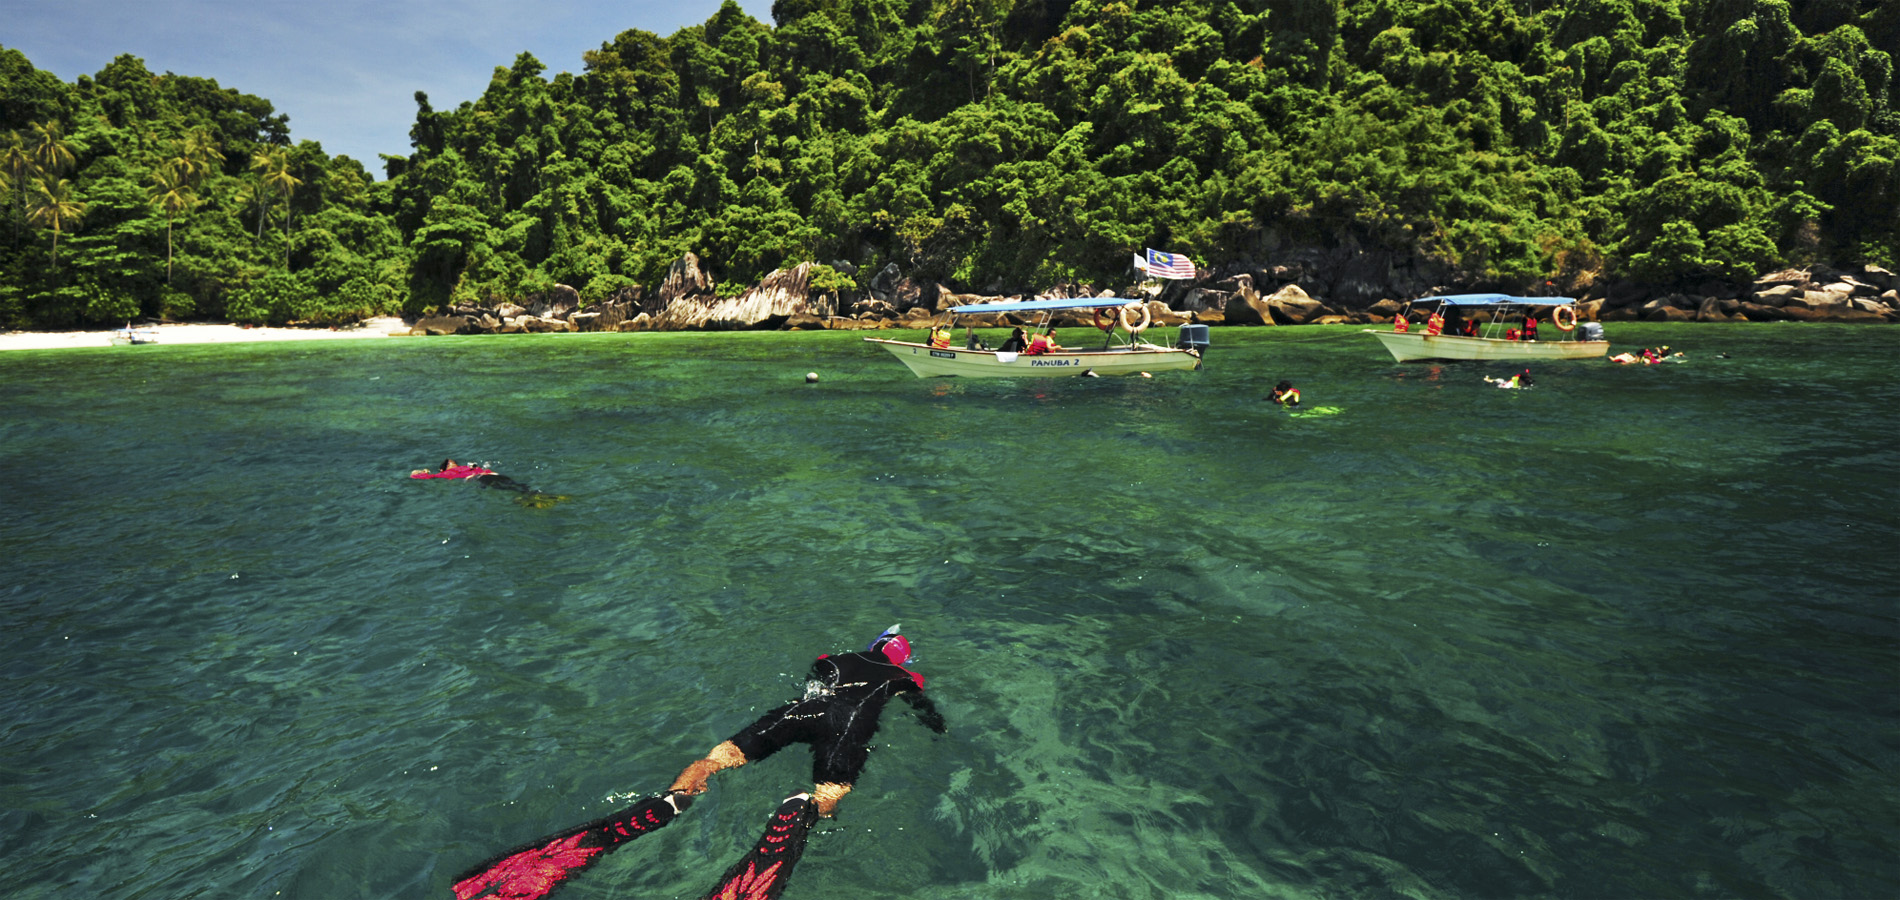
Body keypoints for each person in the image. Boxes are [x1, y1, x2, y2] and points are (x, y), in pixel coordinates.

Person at [452, 627, 945, 900]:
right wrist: (936, 727)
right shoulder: (906, 679)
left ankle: (676, 798)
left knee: (713, 760)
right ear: (902, 660)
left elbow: (814, 681)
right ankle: (803, 810)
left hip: (800, 711)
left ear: (871, 645)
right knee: (831, 792)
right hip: (849, 725)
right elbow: (925, 710)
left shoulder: (833, 657)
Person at [411, 459, 562, 507]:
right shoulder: (464, 469)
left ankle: (532, 499)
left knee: (507, 486)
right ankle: (535, 497)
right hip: (485, 476)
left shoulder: (447, 473)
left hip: (482, 477)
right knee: (510, 485)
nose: (453, 464)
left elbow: (417, 477)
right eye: (451, 463)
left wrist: (420, 472)